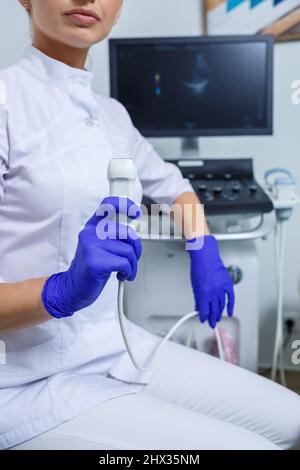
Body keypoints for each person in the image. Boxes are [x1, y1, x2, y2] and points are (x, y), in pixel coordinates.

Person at [0, 0, 299, 450]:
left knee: (293, 421)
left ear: (118, 9)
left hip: (113, 348)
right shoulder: (6, 103)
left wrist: (203, 245)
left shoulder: (111, 116)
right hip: (24, 381)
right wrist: (58, 291)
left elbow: (174, 185)